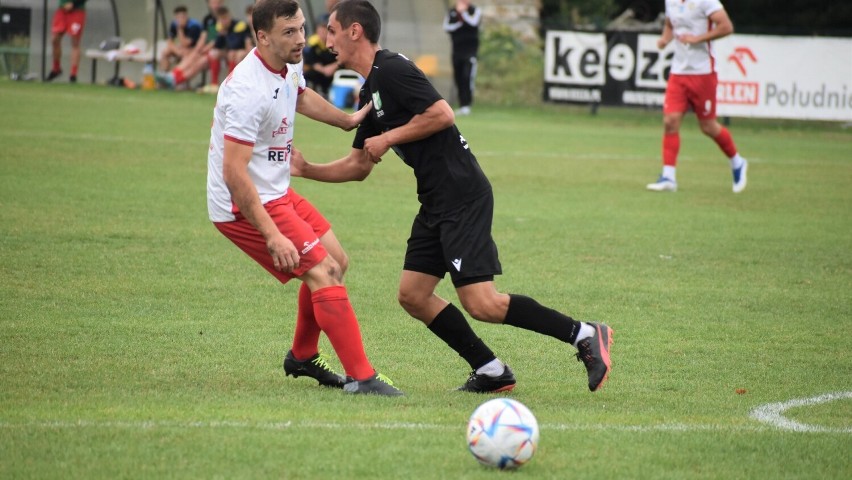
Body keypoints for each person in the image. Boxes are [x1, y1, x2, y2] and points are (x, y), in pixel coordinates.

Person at [291, 0, 613, 394]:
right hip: (435, 201)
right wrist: (308, 170)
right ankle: (491, 369)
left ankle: (583, 333)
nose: (327, 38)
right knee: (413, 295)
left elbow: (443, 113)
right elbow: (358, 166)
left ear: (355, 31)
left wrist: (390, 136)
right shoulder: (370, 90)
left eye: (332, 29)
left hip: (462, 194)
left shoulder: (391, 69)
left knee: (482, 303)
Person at [206, 0, 402, 396]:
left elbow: (299, 95)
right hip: (243, 205)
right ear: (262, 37)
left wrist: (345, 119)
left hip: (276, 190)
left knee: (337, 262)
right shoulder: (246, 90)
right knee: (323, 272)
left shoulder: (287, 62)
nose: (301, 39)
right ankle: (363, 378)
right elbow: (233, 173)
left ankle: (302, 355)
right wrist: (272, 235)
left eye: (300, 28)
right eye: (289, 32)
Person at [646, 0, 748, 193]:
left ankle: (737, 161)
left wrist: (698, 39)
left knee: (708, 126)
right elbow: (670, 24)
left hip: (703, 73)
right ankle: (668, 176)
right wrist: (664, 40)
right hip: (678, 72)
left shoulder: (706, 1)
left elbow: (726, 27)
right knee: (670, 121)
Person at [442, 0, 481, 116]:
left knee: (467, 77)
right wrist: (459, 17)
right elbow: (447, 27)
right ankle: (461, 105)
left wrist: (463, 14)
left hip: (470, 52)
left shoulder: (474, 11)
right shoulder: (452, 12)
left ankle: (467, 105)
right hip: (457, 52)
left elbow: (473, 23)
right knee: (458, 78)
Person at [208, 6, 254, 86]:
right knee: (213, 53)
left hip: (241, 52)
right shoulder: (220, 27)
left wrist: (226, 34)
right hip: (229, 52)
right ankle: (214, 83)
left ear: (229, 16)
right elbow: (217, 45)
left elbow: (235, 45)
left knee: (232, 53)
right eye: (221, 19)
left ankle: (230, 83)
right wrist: (220, 35)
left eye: (225, 18)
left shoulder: (239, 25)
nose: (224, 21)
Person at [45, 0, 87, 83]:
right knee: (55, 40)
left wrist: (74, 4)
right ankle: (56, 69)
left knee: (75, 41)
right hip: (62, 10)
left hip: (77, 11)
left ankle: (73, 74)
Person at [302, 14, 338, 98]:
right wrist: (324, 70)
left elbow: (343, 58)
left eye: (325, 28)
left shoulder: (336, 42)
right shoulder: (313, 43)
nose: (323, 31)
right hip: (318, 73)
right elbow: (311, 61)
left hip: (335, 71)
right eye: (321, 28)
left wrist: (333, 67)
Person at [159, 5, 204, 72]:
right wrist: (177, 51)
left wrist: (180, 29)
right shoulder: (174, 24)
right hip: (182, 48)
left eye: (182, 17)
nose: (180, 20)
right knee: (165, 52)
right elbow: (169, 41)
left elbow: (186, 43)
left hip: (196, 48)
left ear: (186, 16)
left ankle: (178, 77)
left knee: (184, 53)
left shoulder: (194, 26)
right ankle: (165, 74)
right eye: (178, 18)